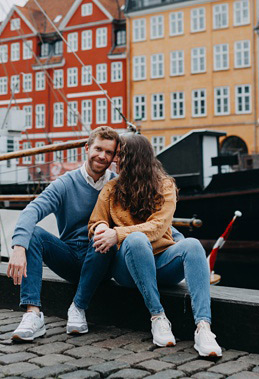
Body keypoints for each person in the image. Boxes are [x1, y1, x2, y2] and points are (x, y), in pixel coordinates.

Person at [88, 133, 221, 358]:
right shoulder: (111, 189)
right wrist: (101, 228)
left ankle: (203, 328)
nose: (115, 161)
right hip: (128, 268)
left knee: (193, 245)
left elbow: (159, 227)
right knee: (136, 240)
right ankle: (158, 317)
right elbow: (95, 222)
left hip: (162, 263)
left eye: (120, 156)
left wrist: (117, 233)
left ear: (135, 159)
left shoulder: (165, 186)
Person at [6, 126, 123, 342]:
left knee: (103, 236)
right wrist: (19, 247)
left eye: (108, 152)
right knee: (34, 234)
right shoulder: (65, 183)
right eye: (98, 149)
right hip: (69, 258)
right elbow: (32, 210)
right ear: (87, 148)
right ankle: (33, 314)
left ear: (114, 156)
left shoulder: (117, 185)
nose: (102, 156)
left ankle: (78, 307)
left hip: (101, 259)